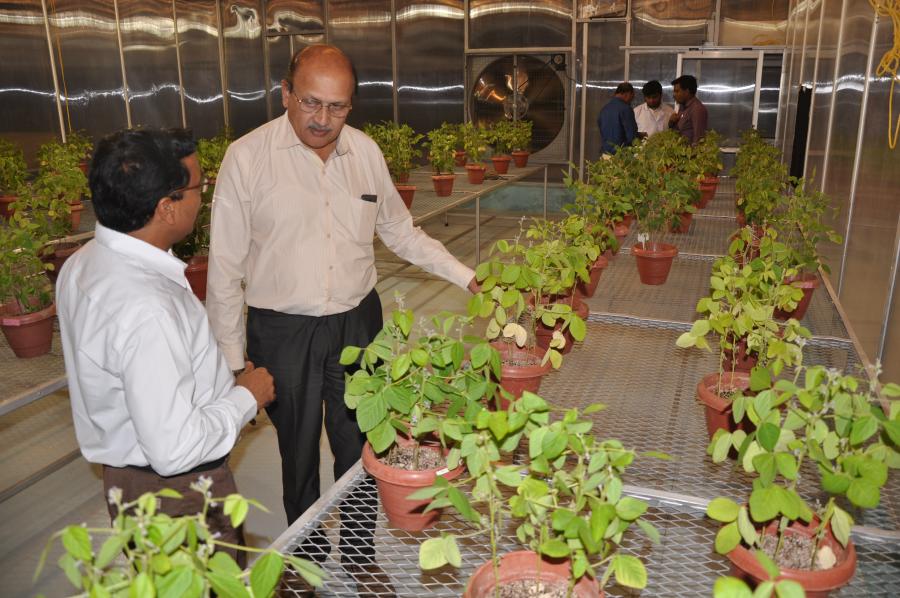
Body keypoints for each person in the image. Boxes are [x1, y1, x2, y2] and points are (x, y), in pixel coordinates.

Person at [206, 44, 476, 594]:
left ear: (351, 105)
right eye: (311, 102)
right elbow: (225, 266)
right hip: (283, 330)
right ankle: (305, 559)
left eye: (337, 107)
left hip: (358, 323)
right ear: (286, 93)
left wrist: (468, 277)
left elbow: (400, 231)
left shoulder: (365, 152)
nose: (323, 119)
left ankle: (358, 553)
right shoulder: (248, 157)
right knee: (298, 450)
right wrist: (233, 361)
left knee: (361, 445)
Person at [56, 128, 275, 566]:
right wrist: (246, 398)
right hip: (177, 494)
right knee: (209, 584)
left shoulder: (84, 263)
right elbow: (175, 449)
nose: (202, 198)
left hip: (129, 481)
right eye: (198, 187)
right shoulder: (148, 308)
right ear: (166, 206)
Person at [598, 82, 638, 155]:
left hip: (605, 153)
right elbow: (632, 136)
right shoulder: (626, 109)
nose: (631, 101)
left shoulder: (604, 109)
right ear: (627, 94)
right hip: (621, 154)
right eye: (632, 97)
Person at [669, 74, 708, 144]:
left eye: (677, 91)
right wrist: (671, 123)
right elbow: (679, 132)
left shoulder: (697, 109)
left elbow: (699, 139)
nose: (674, 95)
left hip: (690, 151)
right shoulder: (682, 107)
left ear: (687, 92)